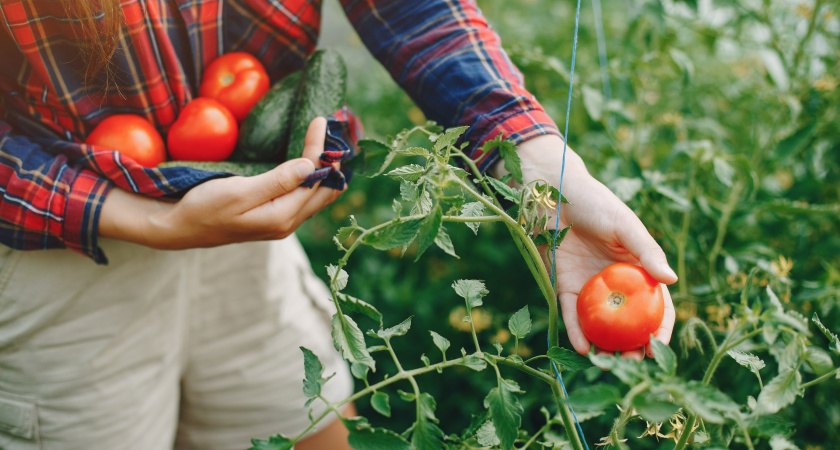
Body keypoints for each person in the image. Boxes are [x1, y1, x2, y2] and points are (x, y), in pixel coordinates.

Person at [0, 0, 677, 449]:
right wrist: (139, 216)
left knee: (309, 427)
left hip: (244, 216)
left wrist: (534, 159)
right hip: (58, 248)